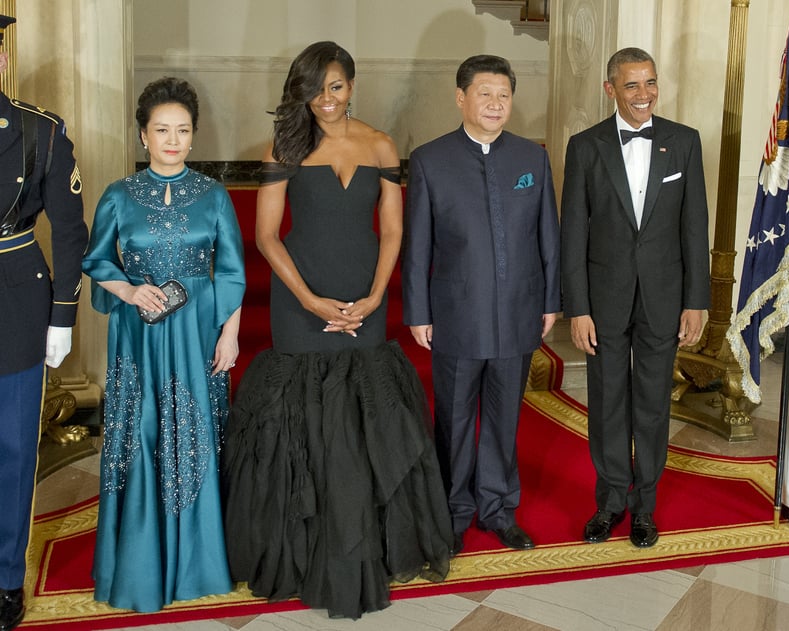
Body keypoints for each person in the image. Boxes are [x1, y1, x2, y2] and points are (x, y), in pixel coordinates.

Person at [221, 41, 452, 619]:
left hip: (363, 298)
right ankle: (296, 551)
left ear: (353, 85)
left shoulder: (380, 144)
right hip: (301, 300)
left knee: (358, 417)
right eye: (314, 88)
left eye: (336, 87)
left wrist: (375, 296)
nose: (325, 100)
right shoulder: (286, 145)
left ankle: (356, 544)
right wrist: (311, 301)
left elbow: (393, 232)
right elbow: (269, 236)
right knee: (301, 418)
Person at [82, 77, 245, 611]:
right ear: (143, 136)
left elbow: (231, 271)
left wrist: (231, 333)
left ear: (193, 137)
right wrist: (129, 289)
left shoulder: (214, 195)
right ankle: (139, 560)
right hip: (141, 331)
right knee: (143, 429)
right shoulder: (118, 196)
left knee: (198, 430)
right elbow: (99, 261)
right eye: (162, 130)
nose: (173, 140)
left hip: (200, 329)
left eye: (183, 131)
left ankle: (200, 561)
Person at [402, 54, 561, 557]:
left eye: (504, 95)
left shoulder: (531, 159)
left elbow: (548, 238)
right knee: (452, 419)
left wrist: (551, 300)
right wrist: (418, 311)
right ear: (461, 98)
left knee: (503, 418)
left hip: (519, 311)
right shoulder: (431, 159)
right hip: (456, 314)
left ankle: (497, 508)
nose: (495, 104)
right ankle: (453, 511)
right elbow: (418, 245)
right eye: (485, 94)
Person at [560, 47, 710, 548]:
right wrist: (577, 307)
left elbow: (694, 229)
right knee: (606, 402)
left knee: (651, 404)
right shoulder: (584, 147)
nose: (643, 94)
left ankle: (644, 506)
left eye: (650, 83)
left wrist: (697, 299)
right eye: (631, 85)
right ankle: (609, 503)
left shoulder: (684, 143)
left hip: (665, 298)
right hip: (603, 300)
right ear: (610, 90)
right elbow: (572, 236)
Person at [0, 15, 88, 631]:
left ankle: (5, 577)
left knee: (9, 448)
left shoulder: (40, 132)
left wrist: (62, 315)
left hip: (15, 300)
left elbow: (72, 230)